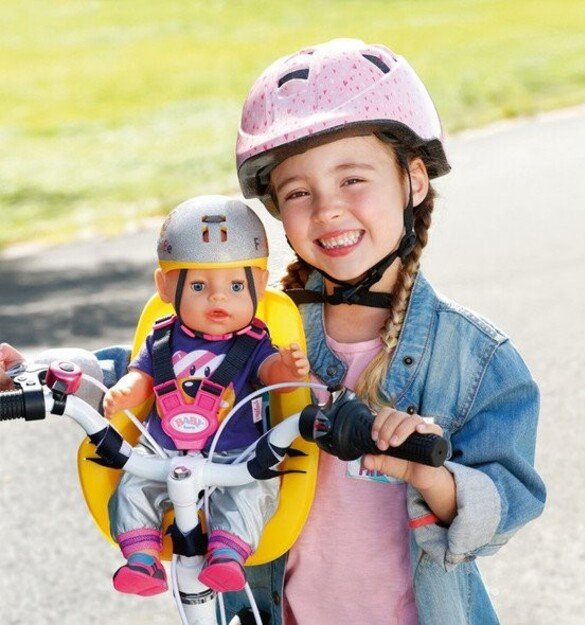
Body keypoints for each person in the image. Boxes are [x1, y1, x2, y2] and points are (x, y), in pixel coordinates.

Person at [226, 38, 546, 625]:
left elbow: (509, 501)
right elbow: (166, 362)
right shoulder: (261, 330)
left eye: (353, 179)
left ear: (414, 180)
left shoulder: (473, 356)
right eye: (299, 192)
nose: (327, 210)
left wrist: (431, 473)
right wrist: (70, 374)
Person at [102, 195, 310, 597]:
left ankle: (228, 557)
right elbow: (141, 378)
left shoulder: (253, 344)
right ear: (165, 286)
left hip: (234, 459)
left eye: (235, 286)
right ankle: (141, 559)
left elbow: (272, 376)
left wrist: (290, 370)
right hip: (164, 455)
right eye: (198, 286)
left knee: (250, 493)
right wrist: (123, 394)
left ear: (259, 286)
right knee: (132, 488)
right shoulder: (161, 340)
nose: (218, 298)